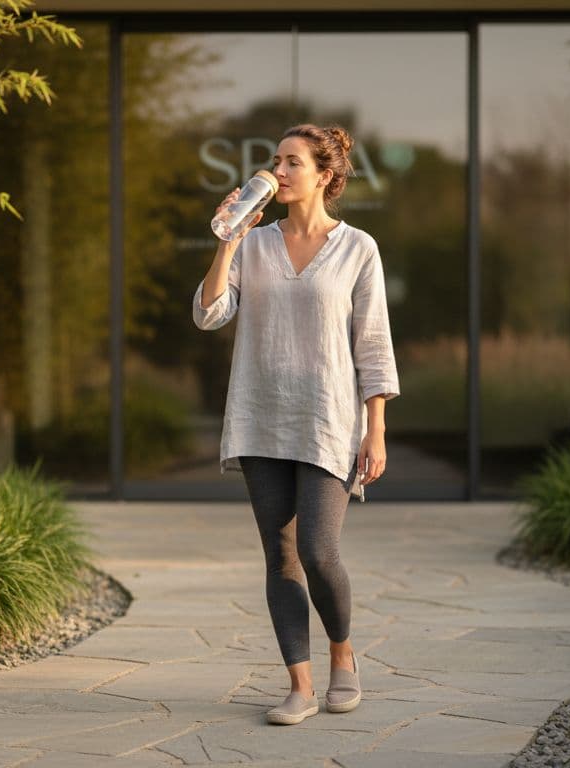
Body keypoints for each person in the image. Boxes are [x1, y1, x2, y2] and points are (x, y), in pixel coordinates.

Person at [192, 124, 400, 726]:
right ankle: (300, 685)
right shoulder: (254, 246)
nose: (278, 172)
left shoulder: (358, 247)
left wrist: (376, 427)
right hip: (261, 418)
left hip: (329, 422)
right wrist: (229, 240)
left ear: (324, 175)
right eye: (275, 161)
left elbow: (374, 342)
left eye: (291, 163)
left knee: (317, 548)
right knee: (279, 556)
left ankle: (343, 655)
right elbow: (208, 314)